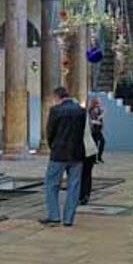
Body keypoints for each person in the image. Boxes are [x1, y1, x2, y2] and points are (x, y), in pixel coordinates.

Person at [41, 87, 87, 226]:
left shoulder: (56, 110)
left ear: (57, 97)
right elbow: (82, 131)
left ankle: (54, 215)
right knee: (74, 186)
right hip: (77, 153)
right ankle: (68, 219)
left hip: (59, 153)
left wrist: (53, 146)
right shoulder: (81, 110)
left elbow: (50, 132)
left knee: (51, 184)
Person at [79, 109, 99, 205]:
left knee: (81, 174)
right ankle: (85, 195)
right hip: (91, 149)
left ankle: (82, 195)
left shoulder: (77, 118)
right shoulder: (85, 116)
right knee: (87, 174)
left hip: (84, 150)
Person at [88, 97, 106, 163]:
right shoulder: (91, 110)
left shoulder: (98, 109)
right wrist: (98, 119)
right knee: (95, 144)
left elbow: (100, 117)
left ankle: (98, 157)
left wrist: (102, 115)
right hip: (94, 130)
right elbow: (92, 120)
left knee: (102, 142)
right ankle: (94, 159)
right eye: (98, 101)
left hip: (98, 129)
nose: (99, 103)